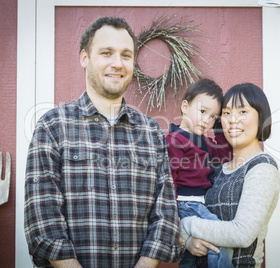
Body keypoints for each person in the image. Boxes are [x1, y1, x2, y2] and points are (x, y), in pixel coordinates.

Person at [24, 16, 184, 268]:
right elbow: (43, 220)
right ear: (85, 58)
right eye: (106, 53)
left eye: (126, 55)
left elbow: (165, 214)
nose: (117, 63)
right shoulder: (53, 127)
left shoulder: (151, 132)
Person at [179, 83, 280, 268]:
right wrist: (189, 242)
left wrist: (185, 226)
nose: (233, 120)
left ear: (261, 117)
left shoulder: (262, 167)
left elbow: (242, 234)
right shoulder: (217, 168)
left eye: (242, 112)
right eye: (226, 113)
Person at [166, 78, 233, 268]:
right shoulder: (176, 140)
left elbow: (225, 154)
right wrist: (174, 217)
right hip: (187, 204)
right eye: (202, 112)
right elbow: (169, 180)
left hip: (197, 204)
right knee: (222, 239)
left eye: (213, 117)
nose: (207, 120)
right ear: (185, 107)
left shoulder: (202, 141)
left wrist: (220, 125)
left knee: (191, 257)